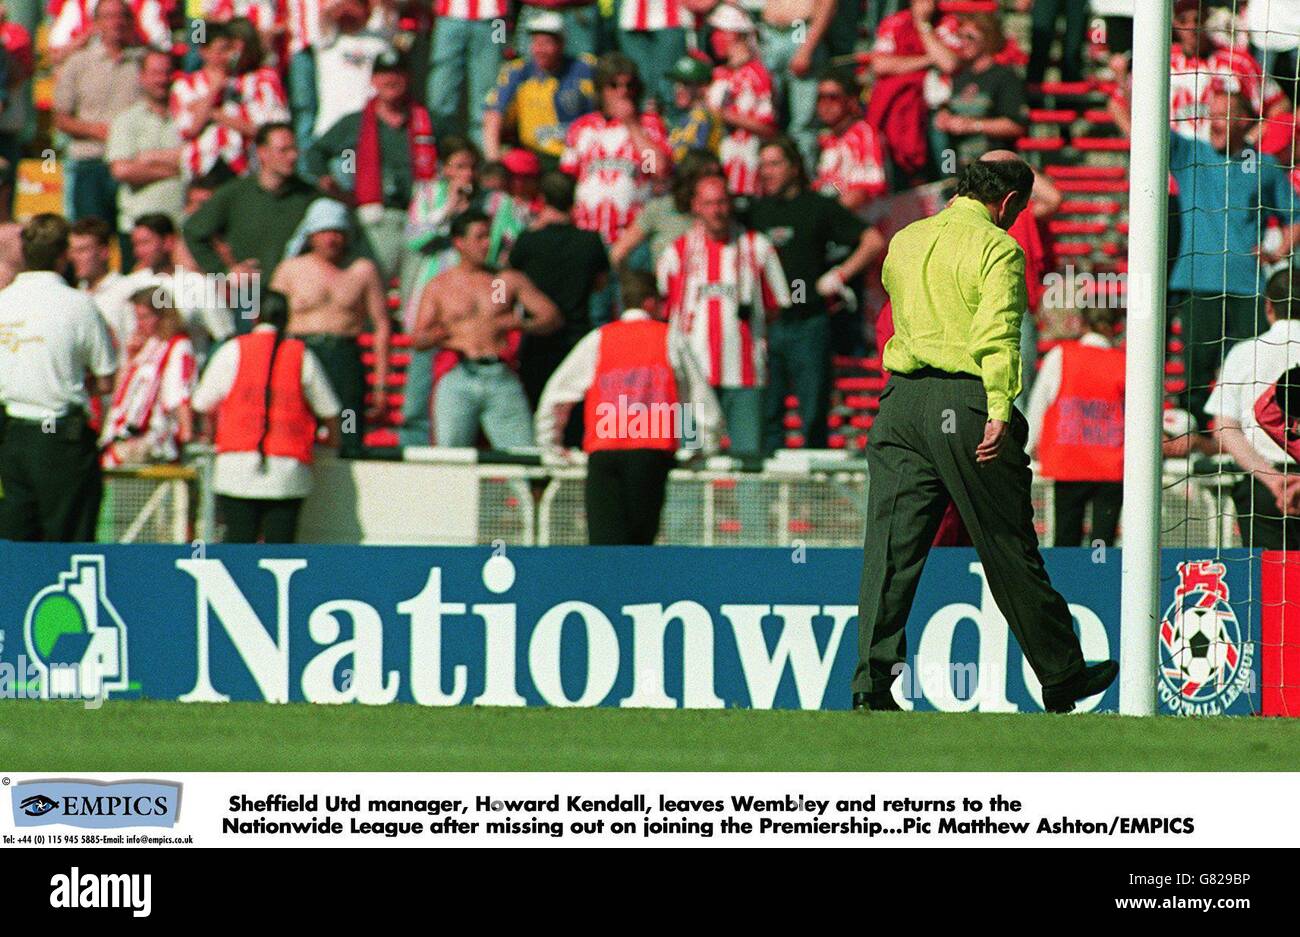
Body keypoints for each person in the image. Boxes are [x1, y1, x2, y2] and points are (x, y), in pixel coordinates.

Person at [853, 156, 1118, 713]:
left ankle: (870, 686)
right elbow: (998, 334)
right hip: (967, 401)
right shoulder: (998, 248)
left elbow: (894, 301)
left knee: (891, 550)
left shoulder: (906, 240)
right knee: (1005, 543)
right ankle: (1061, 673)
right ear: (1008, 203)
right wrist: (999, 407)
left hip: (900, 402)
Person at [1113, 87, 1300, 419]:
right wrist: (1120, 91)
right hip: (1198, 282)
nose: (1215, 122)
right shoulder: (1189, 154)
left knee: (1246, 372)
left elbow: (1295, 215)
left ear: (1244, 122)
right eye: (1212, 114)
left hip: (1248, 287)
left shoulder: (1264, 166)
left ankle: (1244, 443)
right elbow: (1138, 129)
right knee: (1196, 373)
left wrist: (1279, 251)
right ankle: (1195, 438)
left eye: (1224, 115)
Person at [536, 269, 722, 544]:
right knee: (639, 546)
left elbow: (555, 396)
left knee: (604, 547)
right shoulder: (668, 337)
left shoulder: (600, 338)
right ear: (650, 303)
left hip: (604, 454)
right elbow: (695, 399)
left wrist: (551, 448)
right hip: (651, 455)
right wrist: (700, 446)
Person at [748, 136, 884, 453]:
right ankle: (772, 499)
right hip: (767, 327)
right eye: (762, 164)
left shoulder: (818, 206)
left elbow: (873, 241)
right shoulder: (755, 211)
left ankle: (811, 499)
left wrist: (839, 275)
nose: (766, 172)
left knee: (813, 416)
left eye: (774, 163)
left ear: (794, 168)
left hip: (810, 323)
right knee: (768, 417)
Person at [0, 214, 118, 541]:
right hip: (61, 439)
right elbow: (106, 378)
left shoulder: (3, 302)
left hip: (12, 438)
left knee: (17, 542)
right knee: (68, 545)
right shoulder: (79, 305)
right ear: (63, 255)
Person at [192, 290, 342, 544]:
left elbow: (201, 403)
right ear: (287, 319)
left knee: (238, 546)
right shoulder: (302, 355)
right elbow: (331, 412)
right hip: (287, 471)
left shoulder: (232, 351)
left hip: (236, 468)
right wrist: (333, 442)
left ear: (254, 318)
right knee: (280, 549)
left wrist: (209, 433)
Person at [657, 173, 790, 457]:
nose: (716, 210)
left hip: (745, 376)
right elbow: (664, 308)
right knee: (690, 457)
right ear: (695, 206)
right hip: (690, 380)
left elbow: (777, 305)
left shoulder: (759, 247)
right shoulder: (676, 252)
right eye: (708, 203)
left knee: (748, 458)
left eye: (721, 202)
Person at [410, 209, 561, 448]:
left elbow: (551, 317)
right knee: (450, 456)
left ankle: (522, 486)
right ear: (459, 242)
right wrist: (440, 335)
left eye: (489, 236)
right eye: (479, 237)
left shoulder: (503, 280)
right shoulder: (441, 285)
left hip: (500, 373)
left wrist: (521, 323)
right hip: (459, 373)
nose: (487, 243)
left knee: (523, 455)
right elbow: (418, 339)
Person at [304, 48, 436, 295]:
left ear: (408, 78)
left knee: (418, 294)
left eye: (397, 74)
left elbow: (458, 152)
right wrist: (327, 180)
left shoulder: (428, 120)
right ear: (373, 80)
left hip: (421, 218)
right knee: (372, 290)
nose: (390, 80)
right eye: (384, 74)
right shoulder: (355, 122)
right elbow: (314, 153)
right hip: (376, 220)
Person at [271, 198, 390, 458]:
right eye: (325, 231)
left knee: (349, 428)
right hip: (300, 353)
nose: (332, 239)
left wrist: (381, 383)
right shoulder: (291, 270)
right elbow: (271, 321)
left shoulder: (362, 271)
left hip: (343, 356)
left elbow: (381, 326)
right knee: (296, 426)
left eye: (338, 232)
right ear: (311, 235)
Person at [184, 123, 319, 330]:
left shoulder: (309, 197)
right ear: (262, 153)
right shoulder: (237, 192)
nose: (292, 156)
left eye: (294, 149)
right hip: (251, 295)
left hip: (297, 295)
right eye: (283, 150)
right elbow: (194, 230)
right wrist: (225, 272)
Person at [1205, 268, 1300, 550]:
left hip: (1263, 487)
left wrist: (1272, 480)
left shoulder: (1244, 353)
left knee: (1270, 587)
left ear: (1268, 306)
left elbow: (1225, 430)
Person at [1026, 305, 1126, 548]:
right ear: (1115, 328)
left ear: (1083, 324)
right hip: (1111, 466)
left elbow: (1038, 405)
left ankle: (1066, 584)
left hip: (1069, 462)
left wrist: (1027, 449)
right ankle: (1101, 584)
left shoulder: (1060, 355)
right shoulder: (1124, 362)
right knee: (1103, 543)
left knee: (1065, 539)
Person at [508, 171, 610, 409]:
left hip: (537, 341)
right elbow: (600, 284)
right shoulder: (590, 241)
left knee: (539, 407)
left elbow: (506, 281)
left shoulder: (528, 241)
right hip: (579, 340)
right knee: (574, 414)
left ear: (543, 199)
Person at [561, 52, 672, 248]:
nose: (623, 92)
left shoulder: (650, 125)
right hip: (587, 234)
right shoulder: (581, 128)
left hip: (632, 237)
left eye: (629, 85)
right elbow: (566, 179)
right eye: (614, 85)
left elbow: (657, 169)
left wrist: (631, 124)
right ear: (601, 89)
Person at [51, 0, 142, 226]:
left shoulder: (143, 63)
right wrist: (96, 130)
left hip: (134, 164)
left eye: (122, 16)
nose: (116, 23)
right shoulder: (78, 62)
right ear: (96, 23)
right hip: (90, 161)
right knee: (90, 237)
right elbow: (60, 118)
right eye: (109, 17)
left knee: (133, 238)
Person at [483, 10, 597, 170]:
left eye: (547, 43)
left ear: (561, 44)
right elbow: (493, 114)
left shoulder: (584, 68)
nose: (540, 49)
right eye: (536, 43)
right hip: (533, 155)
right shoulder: (517, 71)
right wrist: (493, 161)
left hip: (575, 154)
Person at [99, 287, 196, 468]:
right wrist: (130, 359)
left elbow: (179, 395)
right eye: (137, 317)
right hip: (121, 437)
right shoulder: (148, 345)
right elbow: (119, 393)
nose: (139, 324)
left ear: (163, 316)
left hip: (152, 442)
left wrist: (187, 436)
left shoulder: (177, 346)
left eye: (144, 317)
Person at [106, 48, 185, 241]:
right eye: (156, 73)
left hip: (181, 225)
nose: (163, 79)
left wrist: (150, 159)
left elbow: (201, 161)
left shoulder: (187, 116)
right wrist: (177, 170)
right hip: (138, 229)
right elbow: (122, 170)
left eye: (167, 72)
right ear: (142, 77)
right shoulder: (127, 120)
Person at [933, 12, 1028, 167]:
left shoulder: (1005, 76)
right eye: (960, 37)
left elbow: (1016, 125)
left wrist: (972, 125)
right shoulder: (958, 75)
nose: (963, 42)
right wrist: (944, 117)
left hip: (992, 170)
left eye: (970, 37)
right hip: (956, 167)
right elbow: (946, 107)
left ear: (988, 39)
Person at [608, 149, 724, 269]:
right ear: (690, 177)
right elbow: (619, 252)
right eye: (707, 176)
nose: (713, 183)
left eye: (718, 176)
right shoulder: (661, 209)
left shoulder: (722, 213)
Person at [706, 5, 777, 197]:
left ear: (733, 35)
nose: (713, 39)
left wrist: (725, 115)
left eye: (718, 32)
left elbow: (768, 128)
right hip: (720, 164)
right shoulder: (720, 73)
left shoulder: (757, 74)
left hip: (747, 170)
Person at [757, 0, 836, 169]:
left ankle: (803, 179)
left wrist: (807, 48)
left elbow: (828, 4)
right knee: (762, 118)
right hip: (767, 33)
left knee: (803, 125)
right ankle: (766, 179)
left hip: (800, 31)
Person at [427, 0, 506, 146]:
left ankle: (482, 150)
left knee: (489, 89)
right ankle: (442, 148)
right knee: (441, 90)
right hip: (448, 16)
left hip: (495, 20)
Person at [812, 67, 889, 211]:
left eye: (833, 97)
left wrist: (821, 220)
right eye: (820, 98)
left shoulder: (864, 133)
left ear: (851, 101)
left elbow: (861, 193)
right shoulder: (827, 141)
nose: (825, 104)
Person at [68, 217, 133, 346]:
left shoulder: (127, 291)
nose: (74, 257)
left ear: (104, 252)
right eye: (72, 251)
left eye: (82, 250)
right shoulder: (73, 295)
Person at [616, 0, 689, 109]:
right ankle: (643, 120)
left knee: (668, 83)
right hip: (630, 14)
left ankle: (670, 120)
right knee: (638, 80)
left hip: (671, 15)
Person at [663, 53, 721, 163]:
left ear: (703, 87)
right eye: (676, 82)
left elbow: (688, 163)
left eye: (686, 84)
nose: (678, 89)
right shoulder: (687, 117)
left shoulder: (703, 117)